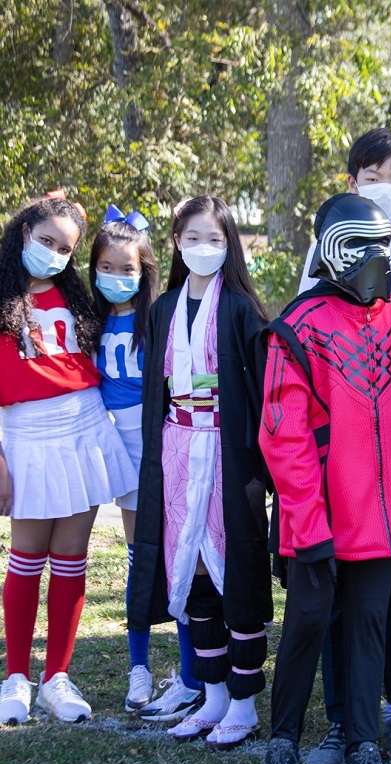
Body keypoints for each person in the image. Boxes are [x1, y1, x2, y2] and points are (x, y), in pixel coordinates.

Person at [256, 194, 391, 764]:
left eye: (385, 244)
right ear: (333, 249)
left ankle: (363, 747)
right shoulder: (299, 328)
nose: (379, 258)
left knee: (370, 630)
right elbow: (284, 436)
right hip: (321, 520)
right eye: (364, 244)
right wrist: (308, 524)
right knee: (306, 625)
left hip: (386, 522)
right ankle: (282, 740)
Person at [297, 128, 391, 764]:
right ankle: (340, 721)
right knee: (339, 589)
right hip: (343, 456)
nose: (384, 188)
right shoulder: (321, 249)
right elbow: (308, 337)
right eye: (371, 176)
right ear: (351, 181)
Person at [128, 195, 272, 750]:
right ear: (176, 242)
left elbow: (260, 395)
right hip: (176, 448)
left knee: (233, 567)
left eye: (213, 238)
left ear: (228, 243)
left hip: (227, 453)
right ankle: (211, 695)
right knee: (192, 573)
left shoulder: (241, 308)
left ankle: (243, 702)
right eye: (191, 237)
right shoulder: (162, 307)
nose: (202, 248)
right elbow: (156, 391)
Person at [0, 191, 137, 725]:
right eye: (46, 241)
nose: (54, 254)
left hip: (82, 425)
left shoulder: (76, 297)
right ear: (22, 234)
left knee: (71, 555)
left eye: (65, 248)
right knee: (27, 553)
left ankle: (57, 676)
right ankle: (15, 677)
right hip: (25, 433)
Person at [89, 205, 202, 718]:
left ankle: (189, 671)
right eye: (107, 268)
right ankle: (139, 669)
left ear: (145, 270)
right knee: (140, 560)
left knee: (177, 558)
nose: (117, 278)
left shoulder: (160, 315)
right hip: (119, 445)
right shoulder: (89, 320)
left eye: (127, 269)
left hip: (163, 440)